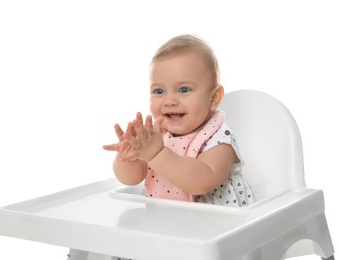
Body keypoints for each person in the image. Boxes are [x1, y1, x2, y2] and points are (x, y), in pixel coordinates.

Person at [103, 34, 254, 206]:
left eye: (183, 89)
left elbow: (201, 182)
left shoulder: (219, 138)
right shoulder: (157, 136)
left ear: (213, 98)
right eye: (159, 91)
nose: (169, 101)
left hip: (220, 223)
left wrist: (156, 154)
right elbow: (131, 179)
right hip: (170, 222)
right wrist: (128, 158)